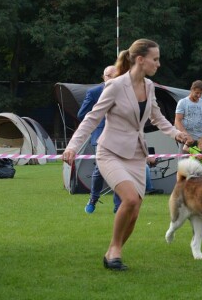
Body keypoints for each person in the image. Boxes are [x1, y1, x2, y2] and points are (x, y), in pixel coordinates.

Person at [62, 38, 191, 271]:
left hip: (136, 155)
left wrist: (176, 134)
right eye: (155, 59)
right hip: (110, 152)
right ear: (140, 60)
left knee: (134, 211)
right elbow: (92, 118)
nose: (158, 64)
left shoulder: (150, 86)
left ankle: (113, 251)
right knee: (129, 199)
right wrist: (72, 146)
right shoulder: (115, 86)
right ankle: (114, 251)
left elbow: (157, 117)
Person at [77, 65, 122, 214]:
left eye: (115, 75)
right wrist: (97, 119)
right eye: (109, 75)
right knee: (100, 170)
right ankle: (93, 198)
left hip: (120, 136)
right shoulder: (94, 92)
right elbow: (82, 114)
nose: (112, 78)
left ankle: (118, 206)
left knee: (119, 170)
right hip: (100, 136)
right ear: (104, 77)